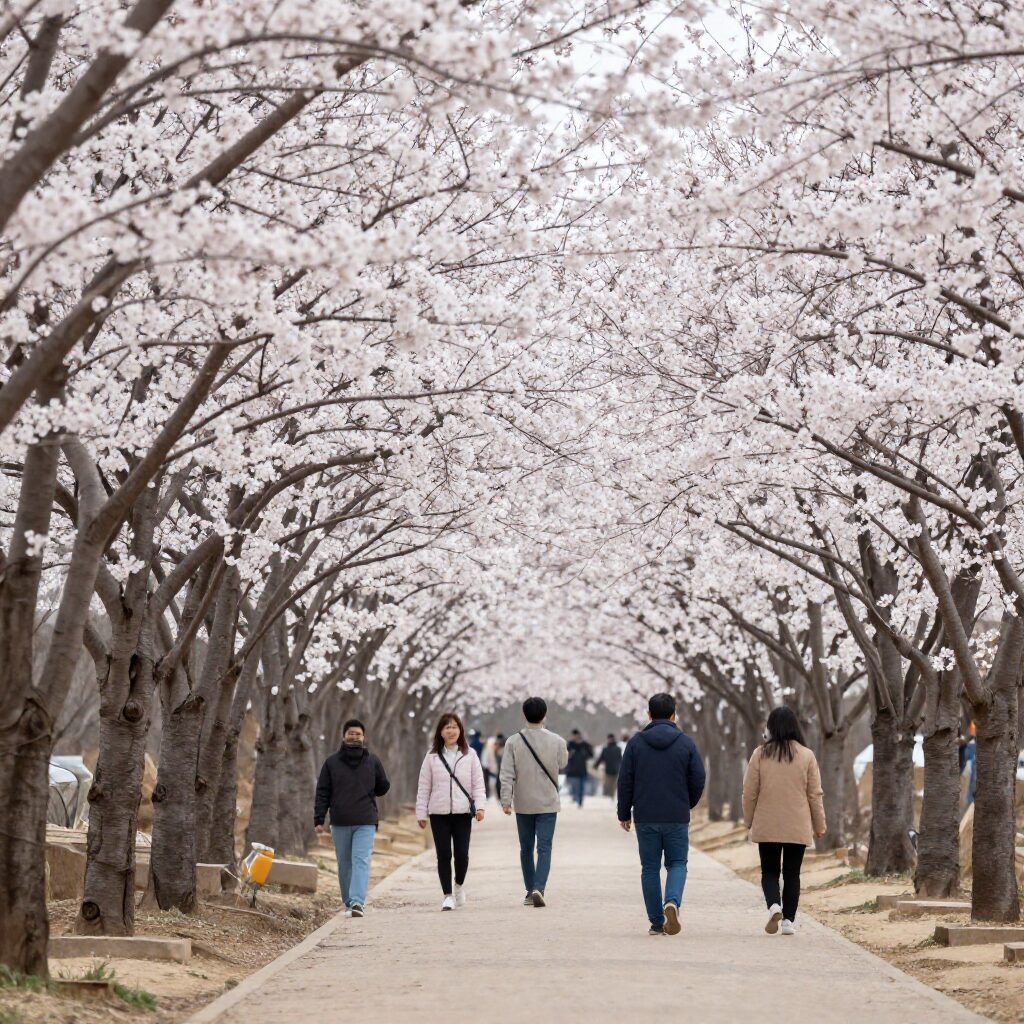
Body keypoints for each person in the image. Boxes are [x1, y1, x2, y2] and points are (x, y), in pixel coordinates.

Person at [617, 693, 706, 936]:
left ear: (649, 715)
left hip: (646, 815)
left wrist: (624, 813)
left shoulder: (635, 743)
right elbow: (698, 778)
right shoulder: (686, 743)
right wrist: (687, 803)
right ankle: (672, 902)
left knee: (649, 867)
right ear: (673, 715)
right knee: (677, 863)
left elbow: (625, 781)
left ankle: (657, 922)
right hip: (676, 815)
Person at [742, 706, 827, 937]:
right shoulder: (807, 755)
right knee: (792, 873)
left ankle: (774, 906)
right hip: (797, 824)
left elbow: (749, 792)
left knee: (769, 872)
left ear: (770, 727)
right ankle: (788, 921)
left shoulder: (760, 754)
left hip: (767, 823)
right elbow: (814, 794)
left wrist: (748, 819)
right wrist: (820, 825)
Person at [314, 719, 391, 918]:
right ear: (344, 736)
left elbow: (383, 787)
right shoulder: (331, 763)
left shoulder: (372, 761)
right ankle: (349, 902)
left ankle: (357, 902)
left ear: (364, 737)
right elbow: (323, 791)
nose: (354, 736)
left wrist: (378, 782)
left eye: (358, 733)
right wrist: (319, 818)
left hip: (365, 819)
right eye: (351, 733)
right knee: (344, 864)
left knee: (361, 860)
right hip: (339, 821)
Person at [500, 696, 569, 907]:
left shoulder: (513, 741)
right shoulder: (557, 740)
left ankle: (530, 891)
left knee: (526, 848)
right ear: (544, 715)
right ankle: (540, 887)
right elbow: (563, 763)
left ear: (524, 714)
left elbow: (506, 773)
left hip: (523, 801)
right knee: (545, 847)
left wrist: (506, 800)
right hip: (548, 801)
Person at [416, 713, 487, 910]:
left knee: (462, 854)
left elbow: (478, 784)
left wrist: (480, 807)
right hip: (438, 813)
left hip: (463, 812)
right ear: (440, 732)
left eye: (455, 726)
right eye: (447, 727)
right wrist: (421, 813)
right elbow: (424, 787)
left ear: (460, 730)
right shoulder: (431, 757)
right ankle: (447, 895)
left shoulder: (470, 754)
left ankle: (458, 885)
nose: (451, 730)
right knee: (444, 854)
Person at [565, 729, 593, 807]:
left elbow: (591, 754)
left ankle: (580, 801)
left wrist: (585, 755)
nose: (574, 737)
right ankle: (575, 798)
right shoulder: (570, 744)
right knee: (574, 786)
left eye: (576, 735)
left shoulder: (585, 744)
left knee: (581, 787)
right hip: (572, 770)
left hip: (582, 769)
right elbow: (565, 754)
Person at [595, 733, 623, 798]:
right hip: (608, 770)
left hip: (616, 770)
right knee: (608, 785)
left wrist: (622, 767)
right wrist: (596, 766)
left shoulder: (618, 749)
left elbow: (620, 759)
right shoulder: (605, 749)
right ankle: (610, 797)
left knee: (613, 785)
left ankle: (612, 797)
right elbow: (601, 758)